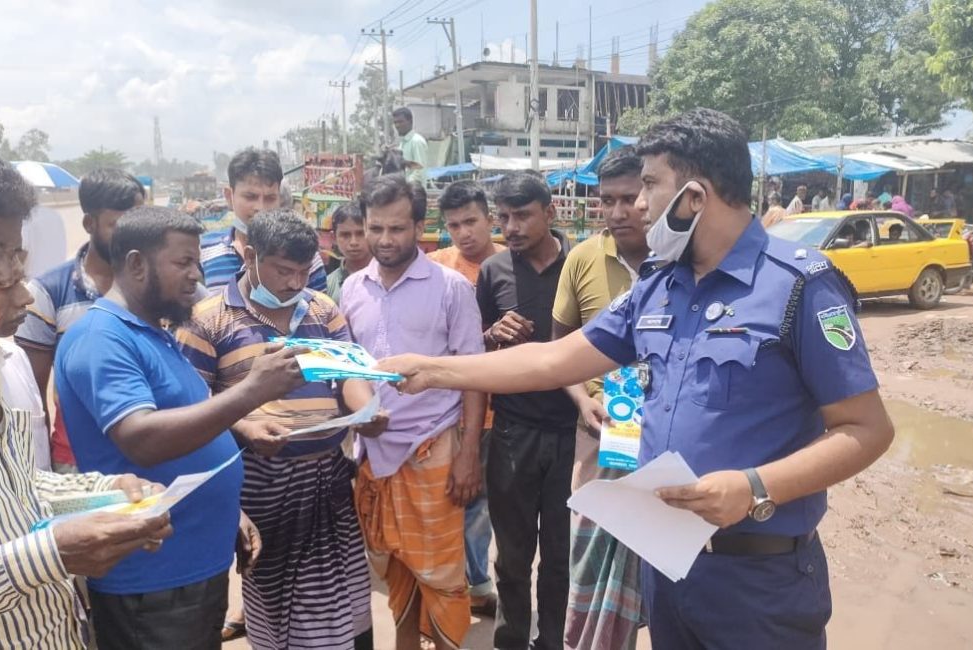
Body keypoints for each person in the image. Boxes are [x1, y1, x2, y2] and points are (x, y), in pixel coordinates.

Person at [377, 107, 895, 649]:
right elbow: (555, 360)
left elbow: (867, 429)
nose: (639, 204)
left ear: (694, 196)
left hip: (759, 580)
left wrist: (755, 488)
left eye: (649, 185)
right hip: (667, 567)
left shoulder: (798, 286)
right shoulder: (660, 287)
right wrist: (433, 369)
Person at [55, 206, 310, 649]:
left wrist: (231, 511)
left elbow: (193, 430)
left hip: (191, 569)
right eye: (183, 262)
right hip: (153, 582)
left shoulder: (153, 333)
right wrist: (251, 392)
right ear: (136, 264)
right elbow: (142, 439)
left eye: (197, 261)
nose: (197, 274)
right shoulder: (102, 337)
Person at [0, 154, 172, 648]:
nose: (18, 291)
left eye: (16, 256)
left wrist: (108, 492)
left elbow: (17, 491)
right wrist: (51, 555)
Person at [178, 210, 382, 649]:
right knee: (283, 614)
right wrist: (247, 426)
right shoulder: (208, 319)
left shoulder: (323, 309)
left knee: (346, 604)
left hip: (328, 480)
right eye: (282, 271)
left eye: (302, 271)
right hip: (263, 487)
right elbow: (193, 407)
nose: (293, 283)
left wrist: (366, 413)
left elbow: (349, 376)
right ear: (251, 257)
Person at [340, 175, 485, 650]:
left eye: (397, 229)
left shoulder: (451, 288)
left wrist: (468, 456)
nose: (384, 240)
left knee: (442, 578)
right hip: (373, 456)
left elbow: (473, 375)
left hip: (433, 451)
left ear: (420, 227)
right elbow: (348, 371)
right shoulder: (351, 288)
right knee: (397, 579)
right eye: (375, 228)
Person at [475, 172, 580, 650]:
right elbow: (474, 346)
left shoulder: (580, 265)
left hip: (572, 432)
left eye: (522, 215)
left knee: (560, 557)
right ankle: (511, 639)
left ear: (550, 213)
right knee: (512, 558)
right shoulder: (493, 272)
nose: (511, 227)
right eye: (504, 217)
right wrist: (493, 334)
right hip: (513, 432)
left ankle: (552, 641)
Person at [553, 148, 649, 650]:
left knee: (665, 563)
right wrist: (579, 401)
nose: (616, 212)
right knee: (594, 561)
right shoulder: (584, 258)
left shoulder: (681, 261)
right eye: (606, 200)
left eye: (630, 198)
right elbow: (559, 348)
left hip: (668, 438)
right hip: (602, 428)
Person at [17, 168, 144, 472]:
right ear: (89, 223)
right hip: (77, 462)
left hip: (147, 453)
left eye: (138, 224)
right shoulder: (48, 293)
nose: (132, 237)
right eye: (118, 225)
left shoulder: (152, 285)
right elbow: (34, 396)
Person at [427, 180, 506, 617]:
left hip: (498, 410)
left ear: (489, 218)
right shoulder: (437, 267)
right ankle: (454, 585)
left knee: (480, 504)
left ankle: (476, 582)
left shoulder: (510, 266)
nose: (464, 233)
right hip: (445, 410)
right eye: (454, 225)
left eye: (471, 222)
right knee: (448, 498)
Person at [200, 148, 327, 293]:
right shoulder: (205, 251)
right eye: (250, 197)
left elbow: (320, 312)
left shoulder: (305, 254)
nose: (260, 208)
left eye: (270, 198)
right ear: (229, 196)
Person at [0, 276, 49, 469]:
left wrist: (105, 485)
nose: (27, 297)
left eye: (22, 281)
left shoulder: (15, 357)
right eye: (6, 285)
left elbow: (29, 479)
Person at [325, 202, 371, 303]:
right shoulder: (328, 285)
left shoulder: (387, 278)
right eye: (345, 235)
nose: (353, 242)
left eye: (360, 234)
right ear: (334, 238)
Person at [393, 107, 429, 186]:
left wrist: (404, 186)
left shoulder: (417, 141)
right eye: (395, 122)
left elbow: (419, 171)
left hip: (414, 193)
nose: (397, 125)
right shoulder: (403, 143)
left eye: (400, 122)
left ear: (410, 121)